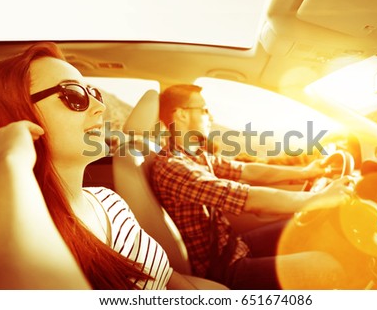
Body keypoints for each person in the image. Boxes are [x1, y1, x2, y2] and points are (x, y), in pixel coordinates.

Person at [0, 43, 197, 290]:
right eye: (74, 94)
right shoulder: (15, 232)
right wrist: (8, 162)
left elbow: (167, 277)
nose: (100, 107)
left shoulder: (111, 202)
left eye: (95, 93)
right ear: (14, 118)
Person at [151, 84, 354, 289]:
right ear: (182, 115)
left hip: (230, 246)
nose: (210, 116)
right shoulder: (174, 167)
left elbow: (247, 171)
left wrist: (305, 173)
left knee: (302, 228)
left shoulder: (195, 155)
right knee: (327, 268)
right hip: (221, 268)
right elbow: (247, 198)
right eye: (203, 109)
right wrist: (317, 198)